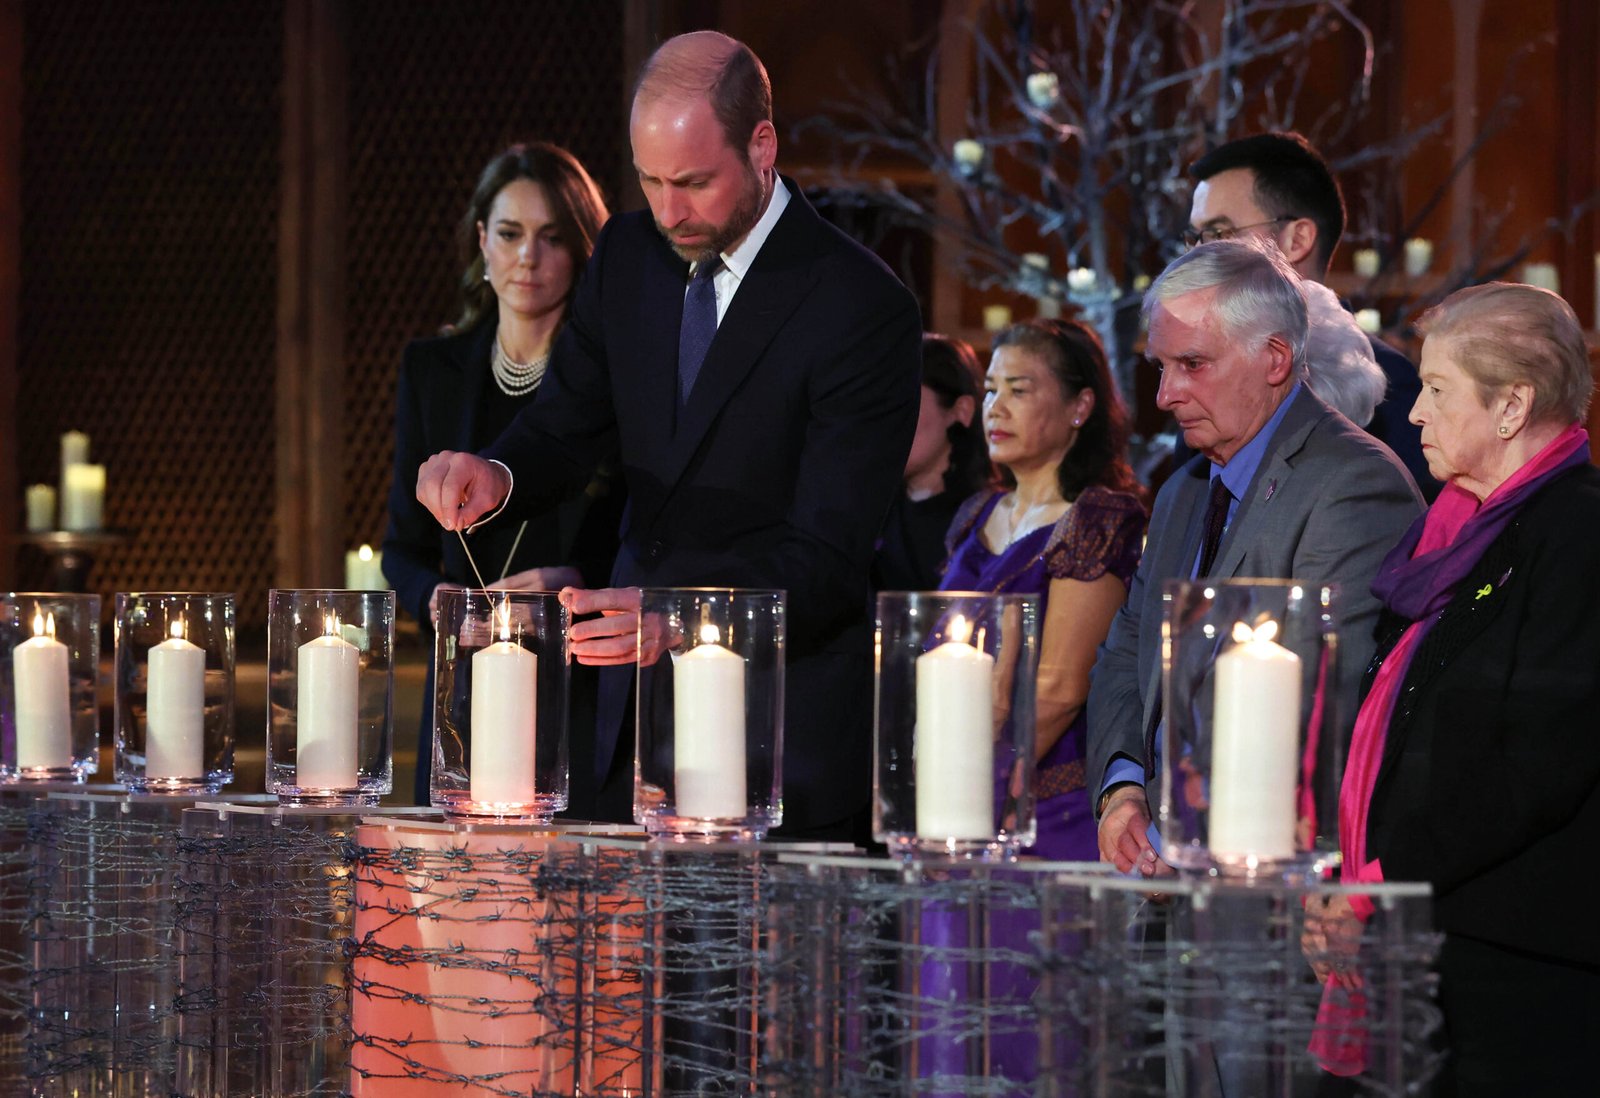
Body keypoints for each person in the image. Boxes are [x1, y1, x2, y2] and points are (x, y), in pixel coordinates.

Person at [414, 31, 921, 841]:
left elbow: (827, 559)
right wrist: (496, 471)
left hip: (775, 734)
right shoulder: (627, 254)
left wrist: (680, 616)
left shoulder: (860, 306)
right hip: (626, 726)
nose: (668, 211)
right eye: (649, 180)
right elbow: (565, 422)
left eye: (692, 182)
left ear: (762, 146)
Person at [1302, 283, 1599, 1093]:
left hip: (1516, 963)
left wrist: (1381, 882)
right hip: (1420, 927)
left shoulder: (1577, 532)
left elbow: (1535, 764)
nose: (1418, 413)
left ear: (1512, 407)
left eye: (1437, 390)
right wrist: (1347, 874)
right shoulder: (1453, 530)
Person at [1088, 238, 1423, 876]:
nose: (1164, 394)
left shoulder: (1353, 483)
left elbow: (1316, 709)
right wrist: (1123, 788)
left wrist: (1186, 838)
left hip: (1264, 894)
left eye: (1191, 363)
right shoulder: (1182, 491)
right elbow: (1125, 657)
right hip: (1162, 880)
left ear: (1274, 359)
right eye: (1160, 367)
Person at [381, 141, 623, 807]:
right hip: (463, 690)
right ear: (482, 242)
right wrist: (441, 606)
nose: (528, 257)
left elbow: (641, 530)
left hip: (580, 682)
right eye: (511, 234)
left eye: (552, 238)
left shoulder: (612, 384)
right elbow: (400, 548)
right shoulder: (433, 370)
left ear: (580, 252)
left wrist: (579, 583)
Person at [940, 319, 1146, 858]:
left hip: (1040, 811)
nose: (996, 408)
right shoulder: (975, 513)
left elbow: (1058, 689)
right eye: (990, 390)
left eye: (1019, 390)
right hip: (952, 788)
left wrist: (966, 785)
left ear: (1080, 407)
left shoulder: (1096, 519)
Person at [1186, 131, 1439, 497]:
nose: (1198, 255)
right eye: (1194, 238)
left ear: (1297, 240)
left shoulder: (1384, 381)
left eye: (1218, 232)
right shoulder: (1198, 373)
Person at [871, 333, 989, 593]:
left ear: (961, 410)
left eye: (905, 404)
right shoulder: (871, 510)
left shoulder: (986, 518)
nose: (887, 424)